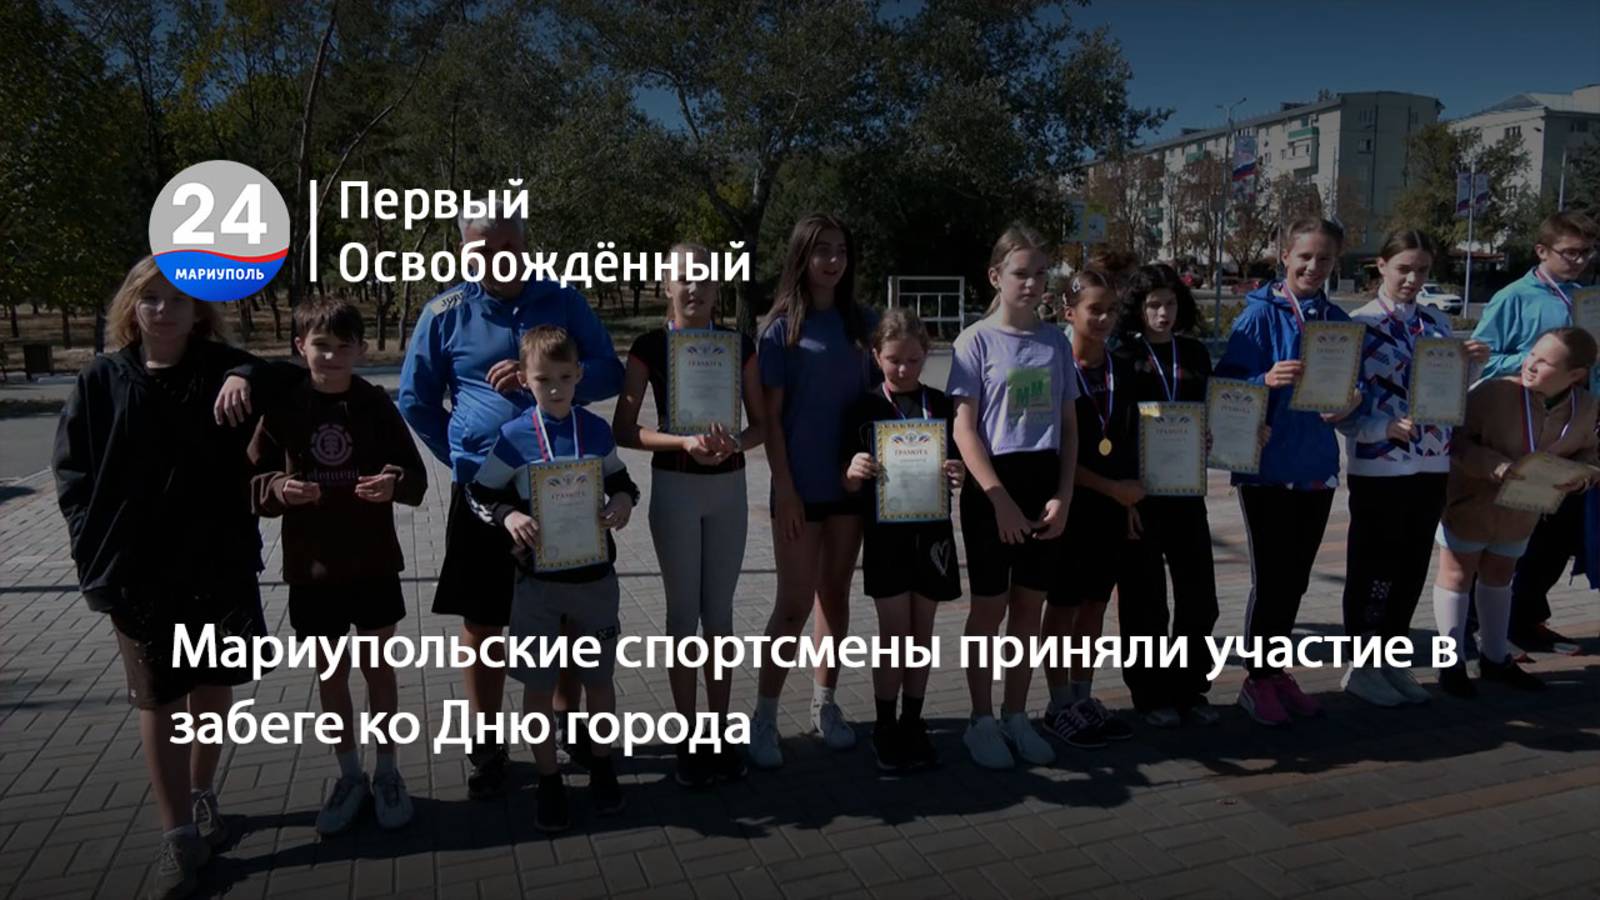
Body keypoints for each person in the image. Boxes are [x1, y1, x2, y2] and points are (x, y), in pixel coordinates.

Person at [53, 257, 283, 900]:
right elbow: (72, 473)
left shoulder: (220, 369)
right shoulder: (102, 378)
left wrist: (244, 372)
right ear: (131, 305)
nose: (163, 309)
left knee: (211, 686)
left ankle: (202, 793)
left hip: (217, 560)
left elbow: (291, 377)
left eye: (178, 299)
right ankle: (177, 832)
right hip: (137, 569)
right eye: (150, 298)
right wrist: (90, 546)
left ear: (199, 310)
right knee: (159, 696)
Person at [398, 211, 623, 798]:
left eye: (509, 245)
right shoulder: (444, 313)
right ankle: (488, 740)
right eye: (484, 247)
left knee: (568, 617)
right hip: (485, 495)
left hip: (560, 488)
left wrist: (538, 378)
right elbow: (414, 400)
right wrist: (463, 454)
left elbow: (608, 371)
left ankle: (568, 720)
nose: (498, 256)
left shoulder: (562, 300)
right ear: (464, 253)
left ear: (525, 245)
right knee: (484, 622)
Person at [248, 298, 428, 833]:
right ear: (299, 346)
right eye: (320, 345)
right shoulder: (284, 407)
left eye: (343, 346)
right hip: (314, 568)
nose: (331, 356)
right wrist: (278, 488)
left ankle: (388, 772)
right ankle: (350, 774)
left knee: (379, 667)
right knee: (330, 673)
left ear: (361, 350)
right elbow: (251, 479)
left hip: (373, 561)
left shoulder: (374, 404)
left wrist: (394, 483)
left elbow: (414, 475)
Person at [469, 325, 640, 832]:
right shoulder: (514, 436)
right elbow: (480, 493)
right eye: (544, 379)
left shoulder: (596, 430)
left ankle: (603, 767)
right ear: (525, 379)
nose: (556, 388)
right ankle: (548, 780)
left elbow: (622, 480)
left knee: (599, 682)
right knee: (539, 689)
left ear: (579, 375)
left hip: (594, 581)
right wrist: (508, 517)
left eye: (565, 377)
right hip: (538, 587)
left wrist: (623, 501)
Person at [612, 242, 766, 788]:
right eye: (682, 277)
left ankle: (719, 731)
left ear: (718, 286)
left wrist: (732, 444)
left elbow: (761, 425)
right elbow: (623, 430)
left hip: (728, 489)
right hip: (676, 488)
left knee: (719, 617)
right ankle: (687, 737)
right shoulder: (650, 347)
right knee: (683, 618)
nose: (693, 286)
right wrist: (682, 442)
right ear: (666, 286)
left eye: (703, 276)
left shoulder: (738, 344)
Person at [1215, 218, 1363, 727]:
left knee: (1296, 580)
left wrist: (1352, 400)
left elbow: (1354, 389)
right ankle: (1256, 680)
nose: (1313, 267)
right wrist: (1265, 378)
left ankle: (1276, 674)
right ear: (1284, 256)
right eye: (1305, 257)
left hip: (1316, 467)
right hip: (1269, 468)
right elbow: (1225, 388)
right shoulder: (1258, 315)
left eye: (1324, 259)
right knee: (1272, 578)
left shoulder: (1338, 321)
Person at [1336, 231, 1490, 707]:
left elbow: (1448, 393)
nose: (1412, 278)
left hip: (1431, 461)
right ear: (1381, 266)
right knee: (1373, 568)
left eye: (1421, 270)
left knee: (1410, 567)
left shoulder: (1436, 323)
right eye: (1403, 268)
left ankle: (1392, 659)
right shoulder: (1358, 325)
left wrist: (1472, 366)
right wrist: (1380, 427)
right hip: (1380, 466)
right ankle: (1361, 667)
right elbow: (1340, 409)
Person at [748, 214, 878, 769]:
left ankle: (825, 702)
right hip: (799, 490)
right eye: (822, 250)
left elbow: (886, 402)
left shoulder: (864, 324)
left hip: (850, 488)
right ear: (802, 256)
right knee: (794, 604)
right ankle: (764, 716)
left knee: (835, 597)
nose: (833, 260)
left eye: (841, 250)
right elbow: (772, 423)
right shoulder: (780, 330)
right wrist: (785, 490)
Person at [948, 223, 1078, 769]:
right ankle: (980, 721)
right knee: (990, 609)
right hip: (992, 489)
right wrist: (998, 497)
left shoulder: (1056, 343)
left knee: (1029, 608)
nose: (1032, 284)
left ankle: (1016, 715)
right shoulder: (974, 341)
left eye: (1040, 274)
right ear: (995, 276)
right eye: (1021, 273)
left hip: (1042, 484)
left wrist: (1064, 496)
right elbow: (964, 429)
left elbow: (1068, 427)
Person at [1431, 327, 1598, 696]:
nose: (1531, 365)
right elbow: (1454, 440)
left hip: (1525, 508)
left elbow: (1590, 452)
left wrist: (1582, 477)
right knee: (1457, 575)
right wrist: (1497, 466)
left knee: (1500, 575)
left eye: (1545, 362)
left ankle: (1495, 658)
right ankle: (1451, 663)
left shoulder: (1585, 407)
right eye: (1532, 354)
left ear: (1575, 375)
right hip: (1473, 501)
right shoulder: (1493, 392)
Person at [841, 308, 965, 771]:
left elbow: (960, 461)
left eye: (913, 360)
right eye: (894, 359)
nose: (903, 369)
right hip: (886, 539)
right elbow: (846, 481)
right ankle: (884, 725)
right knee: (894, 636)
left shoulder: (941, 405)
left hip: (932, 535)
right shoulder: (864, 407)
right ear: (876, 356)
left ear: (926, 355)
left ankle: (913, 721)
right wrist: (853, 470)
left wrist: (959, 471)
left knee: (921, 634)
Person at [1471, 211, 1599, 652]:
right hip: (1523, 426)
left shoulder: (1587, 299)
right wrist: (1540, 358)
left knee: (1561, 532)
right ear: (1542, 251)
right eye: (1571, 252)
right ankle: (1484, 625)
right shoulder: (1513, 298)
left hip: (1574, 425)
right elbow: (1483, 359)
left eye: (1587, 252)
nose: (1580, 260)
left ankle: (1526, 617)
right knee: (1515, 530)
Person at [1111, 264, 1221, 727]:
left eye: (1170, 303)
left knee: (1200, 596)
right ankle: (1150, 693)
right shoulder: (1122, 357)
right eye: (1153, 304)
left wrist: (1217, 435)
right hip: (1141, 496)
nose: (1163, 313)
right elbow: (1114, 431)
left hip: (1186, 492)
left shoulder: (1193, 353)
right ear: (1137, 308)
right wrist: (1123, 499)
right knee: (1145, 600)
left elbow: (1210, 411)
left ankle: (1190, 687)